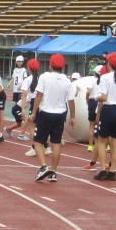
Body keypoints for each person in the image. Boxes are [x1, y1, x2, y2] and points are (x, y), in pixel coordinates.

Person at [28, 54, 75, 182]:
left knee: (38, 141)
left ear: (50, 65)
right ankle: (53, 172)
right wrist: (73, 117)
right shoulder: (67, 80)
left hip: (45, 113)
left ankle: (43, 166)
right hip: (60, 114)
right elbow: (71, 100)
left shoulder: (44, 77)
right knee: (56, 143)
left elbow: (39, 95)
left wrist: (33, 112)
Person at [92, 52, 116, 182]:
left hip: (109, 110)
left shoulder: (105, 77)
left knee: (101, 141)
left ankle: (103, 170)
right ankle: (112, 171)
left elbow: (103, 97)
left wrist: (96, 97)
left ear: (108, 64)